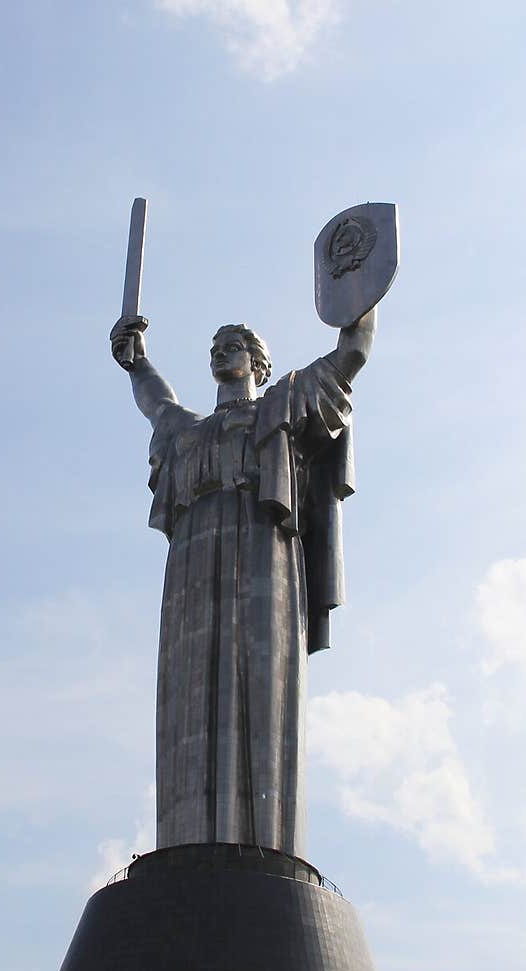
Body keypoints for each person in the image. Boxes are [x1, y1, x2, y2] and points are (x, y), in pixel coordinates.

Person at [110, 309, 376, 857]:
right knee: (192, 683)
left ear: (258, 362)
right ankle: (190, 841)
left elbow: (351, 354)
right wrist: (136, 362)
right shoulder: (188, 434)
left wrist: (358, 296)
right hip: (192, 562)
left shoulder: (281, 405)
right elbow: (155, 403)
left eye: (233, 344)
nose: (220, 352)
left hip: (262, 545)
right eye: (215, 346)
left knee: (260, 676)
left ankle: (261, 843)